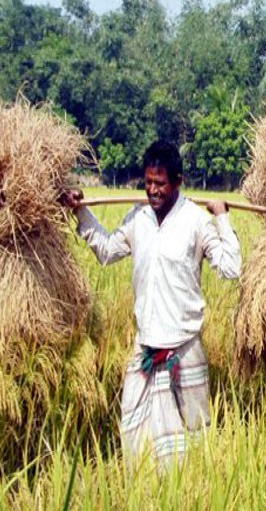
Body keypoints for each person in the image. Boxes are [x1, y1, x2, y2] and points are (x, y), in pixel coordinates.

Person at [61, 141, 242, 464]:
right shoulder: (138, 219)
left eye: (160, 183)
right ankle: (142, 499)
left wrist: (223, 219)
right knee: (137, 439)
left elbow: (231, 267)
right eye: (148, 183)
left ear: (178, 181)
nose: (153, 191)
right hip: (145, 348)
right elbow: (106, 250)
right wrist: (80, 210)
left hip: (184, 350)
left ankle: (189, 499)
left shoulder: (197, 223)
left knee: (192, 445)